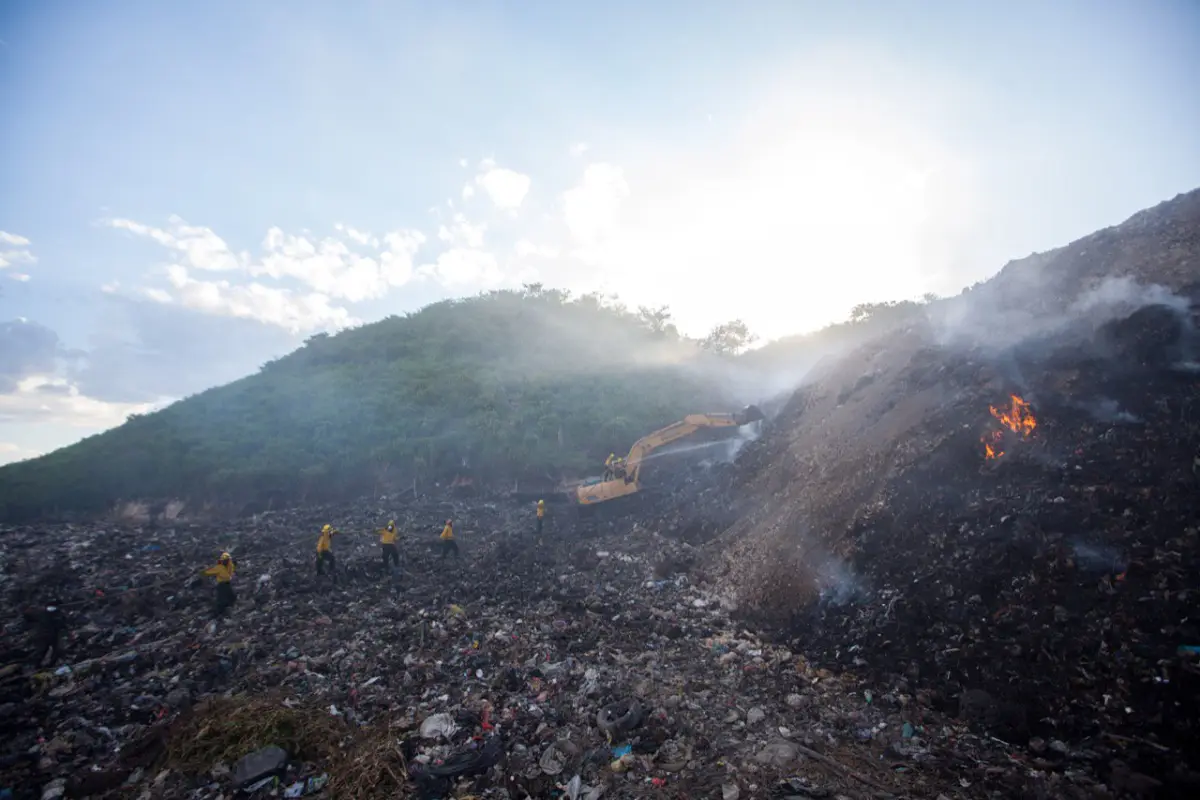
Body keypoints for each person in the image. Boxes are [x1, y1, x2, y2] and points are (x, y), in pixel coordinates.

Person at [201, 552, 237, 617]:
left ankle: (223, 609)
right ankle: (221, 610)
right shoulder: (222, 567)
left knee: (226, 598)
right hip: (223, 584)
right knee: (224, 599)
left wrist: (204, 572)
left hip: (224, 584)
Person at [32, 602, 66, 667]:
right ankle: (39, 665)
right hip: (47, 635)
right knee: (44, 651)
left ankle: (48, 665)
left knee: (54, 650)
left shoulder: (54, 614)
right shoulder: (46, 614)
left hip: (50, 634)